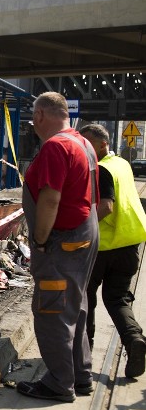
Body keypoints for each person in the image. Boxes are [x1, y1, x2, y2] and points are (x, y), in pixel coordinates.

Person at [16, 92, 99, 403]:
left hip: (61, 240)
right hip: (84, 233)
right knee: (74, 307)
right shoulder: (83, 142)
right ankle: (81, 375)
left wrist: (39, 239)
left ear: (39, 116)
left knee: (52, 311)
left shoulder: (55, 146)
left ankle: (58, 384)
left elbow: (51, 199)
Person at [79, 123, 146, 378]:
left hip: (103, 248)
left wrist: (80, 228)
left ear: (103, 144)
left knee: (86, 298)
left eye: (88, 144)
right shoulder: (122, 164)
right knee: (117, 298)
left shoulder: (103, 169)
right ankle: (133, 339)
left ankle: (83, 351)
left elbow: (106, 206)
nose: (83, 149)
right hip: (128, 245)